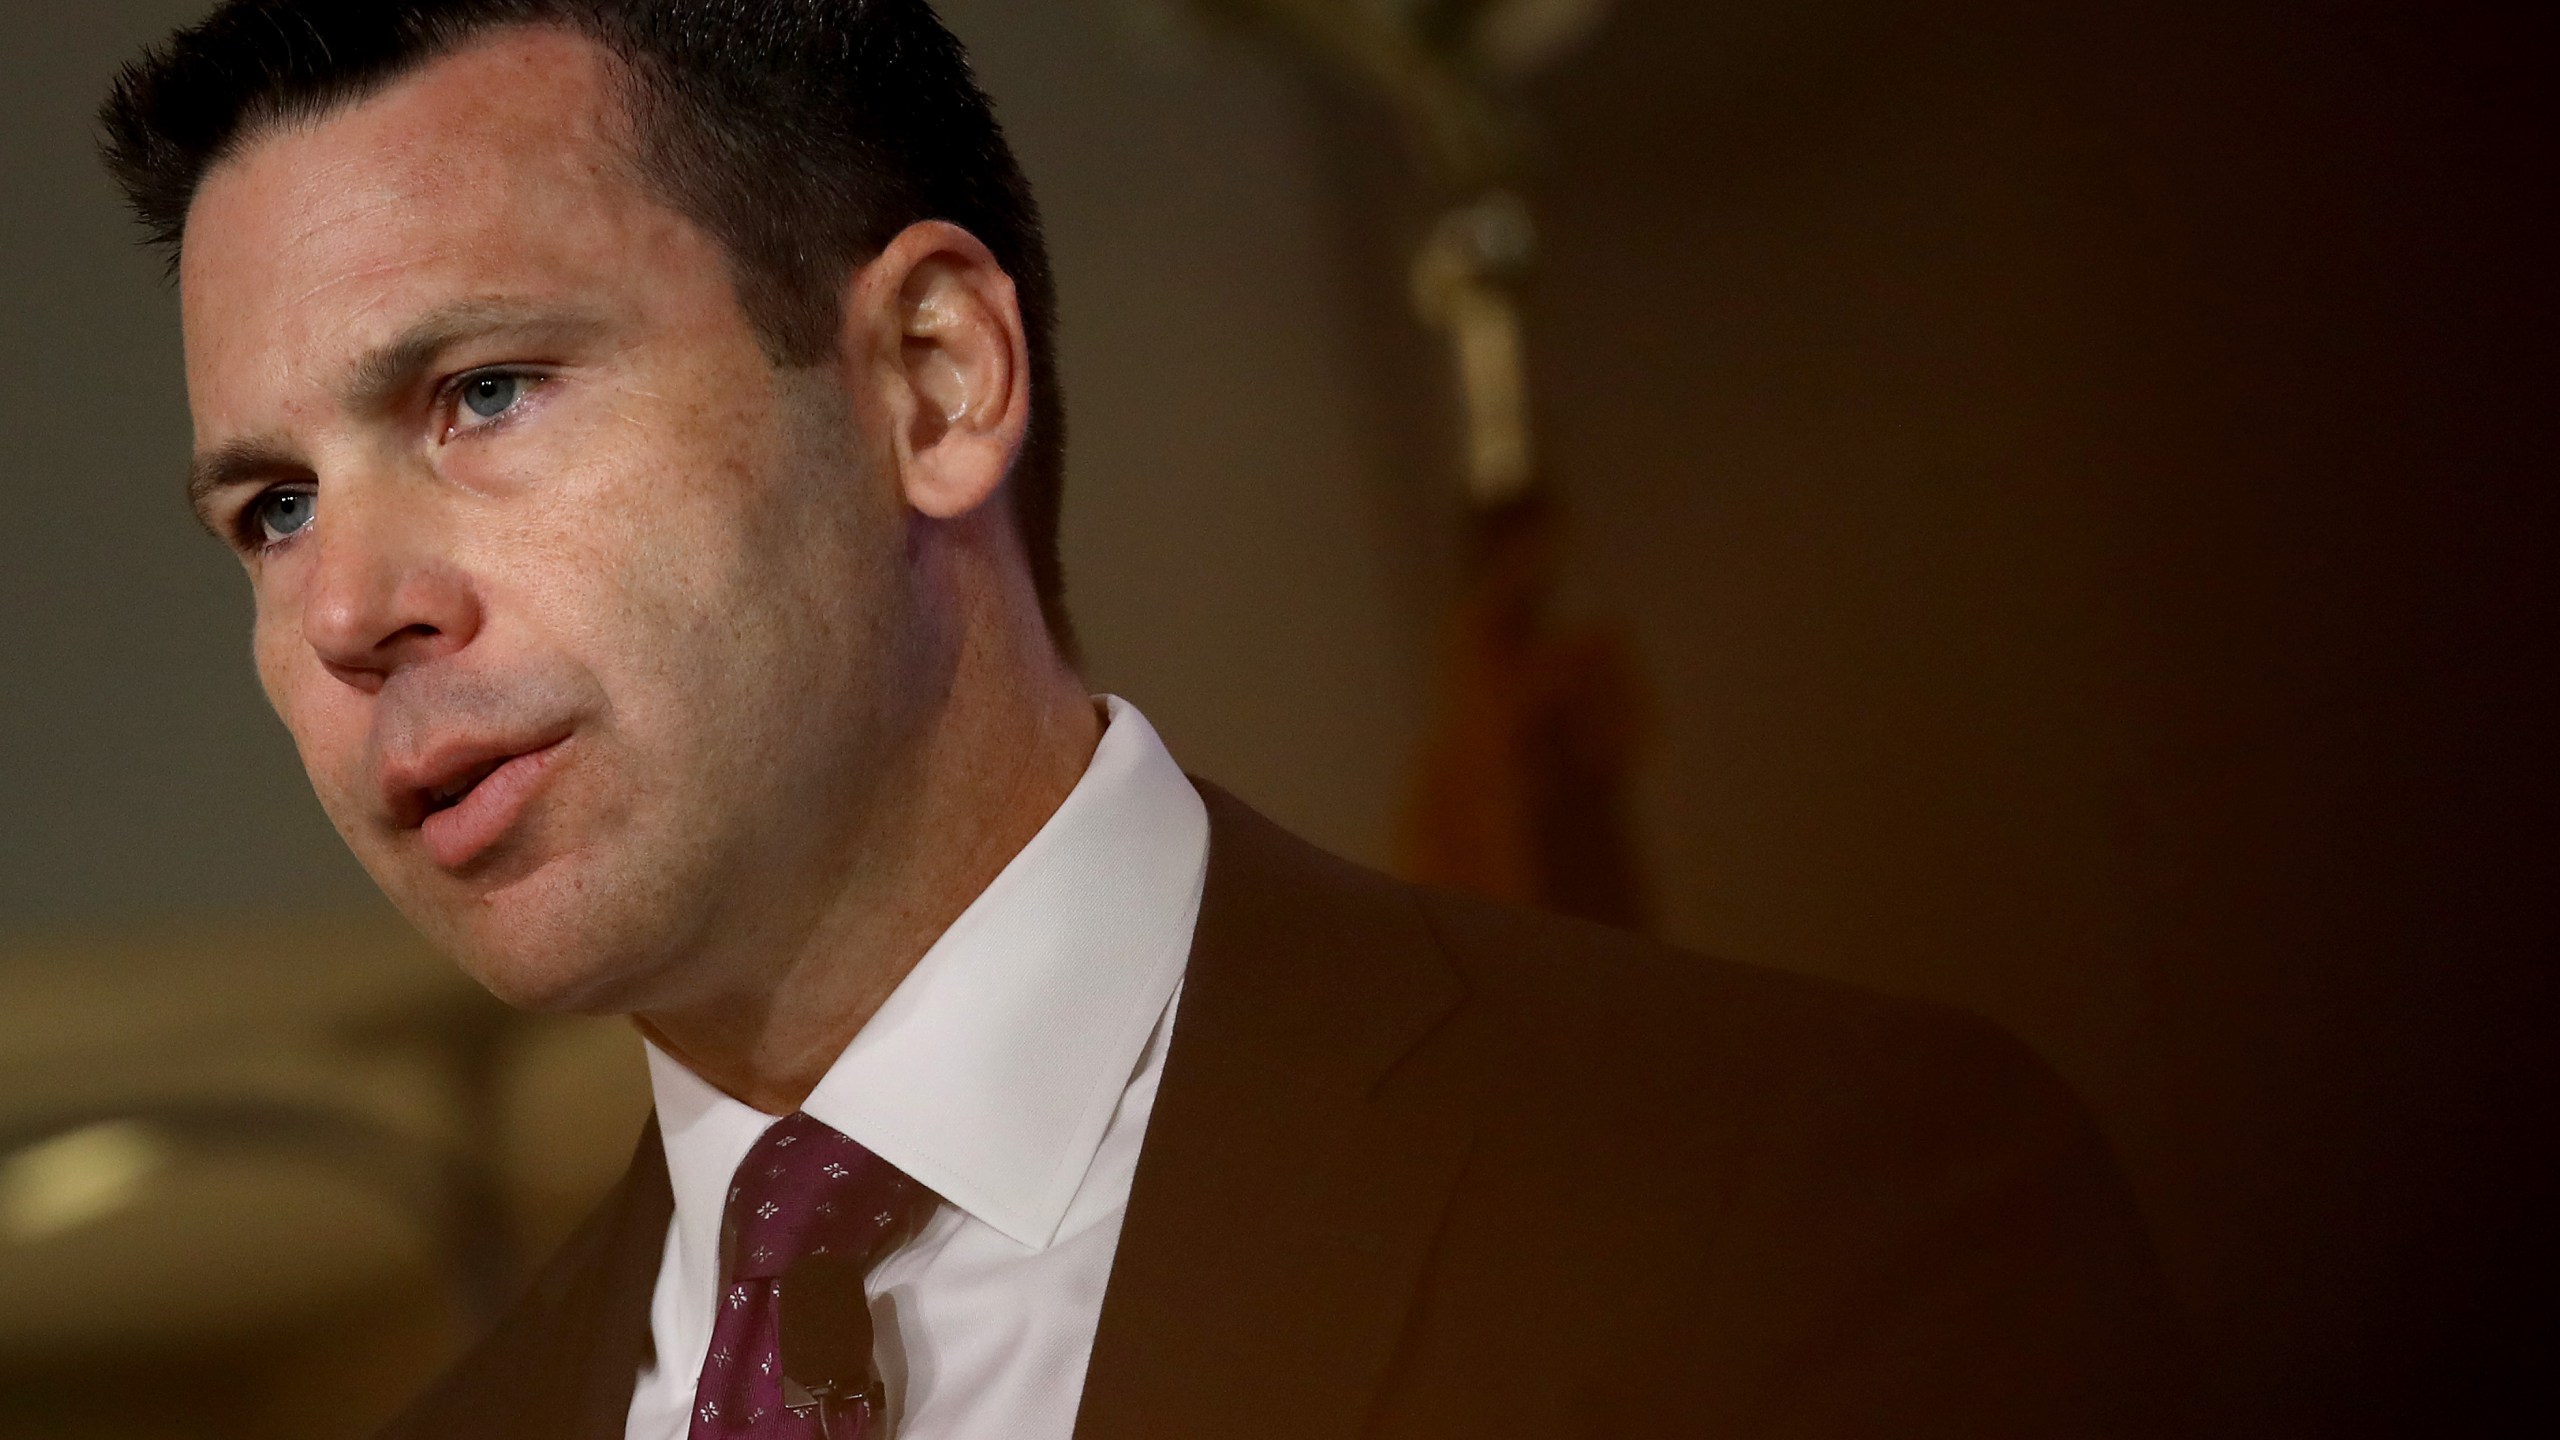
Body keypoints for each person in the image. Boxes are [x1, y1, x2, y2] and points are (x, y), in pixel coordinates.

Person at [98, 2, 2195, 1436]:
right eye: (267, 509)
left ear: (929, 379)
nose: (351, 606)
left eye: (478, 394)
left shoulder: (1775, 1212)